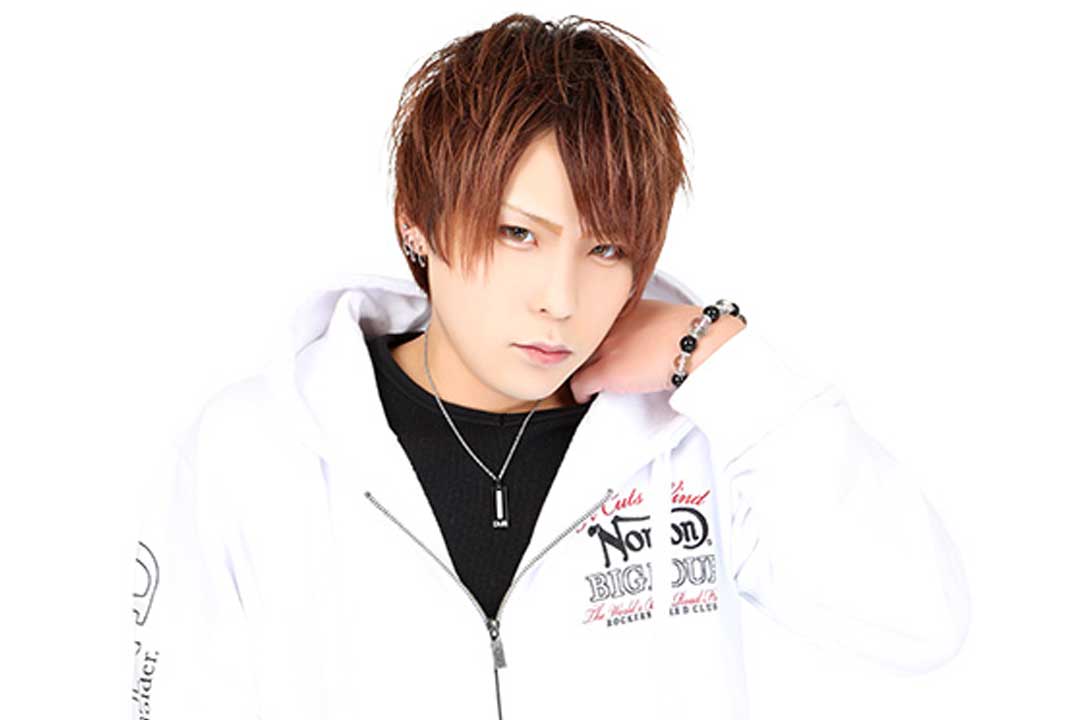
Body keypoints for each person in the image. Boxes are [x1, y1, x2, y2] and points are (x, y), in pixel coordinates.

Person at [130, 13, 970, 720]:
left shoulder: (693, 436)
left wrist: (723, 361)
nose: (561, 300)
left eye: (606, 249)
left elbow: (919, 623)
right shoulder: (258, 447)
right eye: (518, 234)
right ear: (415, 220)